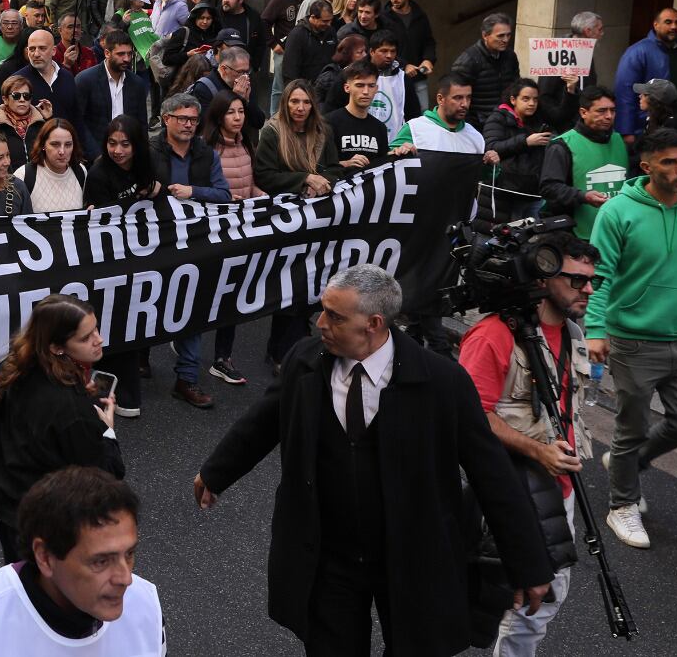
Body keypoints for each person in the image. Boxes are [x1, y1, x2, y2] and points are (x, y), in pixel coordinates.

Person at [193, 265, 554, 657]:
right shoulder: (305, 359)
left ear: (374, 323)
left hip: (411, 554)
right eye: (323, 310)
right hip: (328, 553)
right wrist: (216, 472)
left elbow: (492, 475)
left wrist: (529, 563)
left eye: (335, 315)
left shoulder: (442, 383)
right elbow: (263, 421)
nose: (321, 322)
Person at [458, 232, 599, 656]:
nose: (588, 289)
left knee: (542, 597)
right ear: (542, 276)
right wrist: (538, 450)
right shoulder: (492, 336)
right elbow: (468, 416)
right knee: (522, 599)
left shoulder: (574, 330)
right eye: (576, 280)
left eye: (593, 280)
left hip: (559, 487)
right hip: (514, 489)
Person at [586, 128, 677, 549]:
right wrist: (594, 329)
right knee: (632, 427)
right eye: (670, 162)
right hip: (631, 340)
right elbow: (598, 277)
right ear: (646, 167)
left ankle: (628, 464)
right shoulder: (618, 213)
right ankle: (621, 503)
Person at [0, 466, 162, 656]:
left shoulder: (146, 606)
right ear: (45, 557)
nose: (125, 578)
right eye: (101, 562)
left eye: (129, 554)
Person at [0, 296, 125, 561]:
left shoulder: (20, 369)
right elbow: (106, 476)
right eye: (86, 337)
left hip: (9, 504)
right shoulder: (74, 412)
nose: (98, 339)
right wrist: (107, 430)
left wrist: (79, 392)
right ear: (57, 347)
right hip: (47, 519)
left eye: (96, 329)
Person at [149, 92, 231, 410]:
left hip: (194, 246)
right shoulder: (150, 151)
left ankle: (187, 377)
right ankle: (141, 360)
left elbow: (223, 194)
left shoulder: (205, 153)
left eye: (193, 120)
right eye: (182, 118)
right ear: (166, 119)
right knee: (146, 304)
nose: (188, 125)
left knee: (191, 309)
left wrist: (193, 193)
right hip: (154, 243)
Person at [254, 80, 343, 367]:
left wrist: (323, 181)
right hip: (286, 221)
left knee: (309, 286)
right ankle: (284, 351)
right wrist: (303, 179)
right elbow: (264, 175)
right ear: (286, 103)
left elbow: (333, 167)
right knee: (288, 285)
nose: (300, 108)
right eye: (294, 102)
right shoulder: (272, 132)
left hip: (318, 220)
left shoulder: (322, 132)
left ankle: (290, 347)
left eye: (305, 102)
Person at [82, 116, 161, 419]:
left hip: (142, 259)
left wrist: (156, 191)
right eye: (112, 143)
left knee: (132, 324)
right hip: (109, 262)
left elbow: (159, 197)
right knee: (109, 325)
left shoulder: (147, 162)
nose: (117, 150)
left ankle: (125, 388)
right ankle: (103, 391)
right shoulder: (100, 172)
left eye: (125, 144)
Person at [196, 91, 264, 387]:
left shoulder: (247, 143)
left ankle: (223, 358)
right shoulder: (206, 148)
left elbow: (251, 183)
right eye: (231, 112)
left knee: (233, 296)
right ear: (218, 116)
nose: (237, 118)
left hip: (242, 232)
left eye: (241, 112)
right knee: (204, 293)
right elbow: (200, 190)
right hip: (215, 233)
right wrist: (224, 200)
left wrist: (262, 197)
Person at [539, 85, 627, 241]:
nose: (609, 116)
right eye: (601, 111)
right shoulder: (561, 145)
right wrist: (583, 196)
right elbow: (549, 187)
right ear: (583, 113)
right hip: (578, 236)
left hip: (617, 232)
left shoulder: (619, 140)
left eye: (612, 111)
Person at [613, 6, 677, 139]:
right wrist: (626, 131)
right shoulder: (637, 52)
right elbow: (625, 93)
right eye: (668, 22)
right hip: (647, 129)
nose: (674, 27)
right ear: (656, 25)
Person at [482, 78, 553, 222]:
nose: (532, 104)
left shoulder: (536, 120)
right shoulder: (498, 118)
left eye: (535, 99)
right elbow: (491, 148)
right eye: (526, 99)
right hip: (509, 192)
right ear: (513, 99)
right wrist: (526, 141)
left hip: (534, 192)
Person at [74, 31, 147, 161]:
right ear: (107, 53)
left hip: (128, 157)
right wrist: (96, 155)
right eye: (120, 54)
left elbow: (141, 124)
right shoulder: (85, 80)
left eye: (129, 54)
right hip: (95, 156)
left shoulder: (137, 84)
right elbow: (78, 122)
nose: (126, 59)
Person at [451, 13, 520, 130]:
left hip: (506, 121)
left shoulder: (510, 56)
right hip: (477, 124)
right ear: (485, 35)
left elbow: (516, 86)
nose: (505, 40)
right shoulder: (469, 60)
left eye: (508, 35)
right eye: (500, 36)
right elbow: (456, 97)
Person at [325, 61, 393, 174]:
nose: (366, 92)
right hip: (338, 188)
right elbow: (318, 165)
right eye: (360, 85)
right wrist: (345, 164)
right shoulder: (329, 122)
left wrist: (400, 153)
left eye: (371, 86)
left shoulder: (380, 128)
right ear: (347, 88)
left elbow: (384, 165)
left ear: (376, 89)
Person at [13, 119, 87, 215]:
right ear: (43, 145)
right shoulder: (23, 175)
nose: (62, 151)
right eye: (55, 144)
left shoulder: (80, 171)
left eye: (68, 145)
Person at [262, 0, 308, 114]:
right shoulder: (279, 0)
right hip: (283, 50)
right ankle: (275, 119)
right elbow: (264, 22)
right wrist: (273, 44)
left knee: (302, 88)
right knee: (279, 87)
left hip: (304, 52)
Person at [15, 27, 80, 125]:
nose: (36, 54)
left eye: (42, 48)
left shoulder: (67, 77)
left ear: (53, 51)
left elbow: (76, 118)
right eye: (32, 49)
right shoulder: (17, 82)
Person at [0, 74, 51, 172]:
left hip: (39, 181)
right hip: (9, 183)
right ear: (5, 99)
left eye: (26, 96)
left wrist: (49, 120)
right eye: (16, 95)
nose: (22, 100)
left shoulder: (42, 124)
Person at [281, 0, 335, 86]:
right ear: (313, 17)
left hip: (326, 88)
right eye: (325, 21)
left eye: (330, 20)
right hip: (306, 89)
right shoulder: (297, 35)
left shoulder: (331, 32)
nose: (329, 24)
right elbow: (290, 68)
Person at [315, 34, 367, 113]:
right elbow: (318, 103)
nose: (364, 55)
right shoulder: (330, 76)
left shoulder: (362, 73)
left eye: (365, 51)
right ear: (348, 55)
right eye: (360, 52)